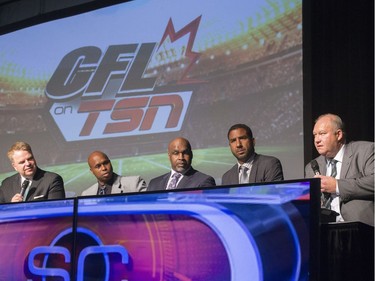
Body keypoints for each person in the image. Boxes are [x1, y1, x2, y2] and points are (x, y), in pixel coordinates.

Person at [305, 113, 374, 226]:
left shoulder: (365, 151)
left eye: (322, 134)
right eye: (315, 135)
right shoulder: (312, 166)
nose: (317, 140)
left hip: (360, 230)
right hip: (324, 232)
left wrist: (337, 186)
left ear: (338, 134)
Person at [0, 141, 65, 203]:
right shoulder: (7, 184)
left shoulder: (52, 180)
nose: (28, 164)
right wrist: (11, 207)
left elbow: (56, 209)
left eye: (30, 159)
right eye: (22, 162)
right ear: (14, 166)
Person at [147, 137, 216, 191]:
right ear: (169, 156)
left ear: (191, 155)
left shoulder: (204, 181)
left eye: (185, 153)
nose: (181, 157)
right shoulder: (154, 183)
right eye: (176, 153)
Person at [82, 151, 147, 196]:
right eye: (98, 166)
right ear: (92, 171)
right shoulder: (86, 194)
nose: (104, 168)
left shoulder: (134, 183)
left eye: (106, 163)